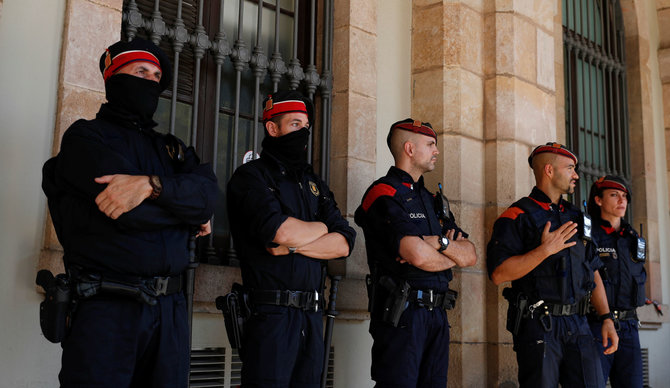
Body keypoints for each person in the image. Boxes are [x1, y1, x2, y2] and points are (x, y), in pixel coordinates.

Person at [41, 38, 217, 387]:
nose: (150, 81)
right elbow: (131, 216)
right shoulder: (86, 138)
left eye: (155, 76)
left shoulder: (172, 151)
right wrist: (187, 215)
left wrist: (152, 186)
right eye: (141, 72)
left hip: (170, 315)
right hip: (108, 312)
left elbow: (209, 197)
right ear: (113, 78)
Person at [226, 90, 356, 387]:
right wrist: (323, 228)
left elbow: (345, 242)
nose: (304, 132)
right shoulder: (251, 177)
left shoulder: (314, 184)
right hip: (270, 317)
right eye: (295, 124)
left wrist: (298, 241)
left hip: (312, 317)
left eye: (306, 126)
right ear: (273, 128)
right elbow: (279, 233)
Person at [354, 118, 477, 388]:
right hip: (403, 315)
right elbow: (416, 254)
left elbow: (469, 255)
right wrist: (446, 256)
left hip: (437, 315)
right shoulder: (383, 193)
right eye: (431, 144)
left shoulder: (434, 201)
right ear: (409, 149)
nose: (437, 151)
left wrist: (439, 244)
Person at [486, 142, 619, 388]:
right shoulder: (517, 215)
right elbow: (498, 273)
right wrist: (545, 250)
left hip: (579, 326)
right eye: (570, 168)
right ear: (549, 170)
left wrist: (606, 318)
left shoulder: (578, 217)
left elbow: (593, 270)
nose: (576, 175)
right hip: (539, 325)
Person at [586, 175, 646, 388]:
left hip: (629, 326)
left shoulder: (633, 238)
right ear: (598, 200)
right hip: (596, 325)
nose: (622, 200)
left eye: (624, 196)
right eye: (614, 195)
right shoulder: (589, 235)